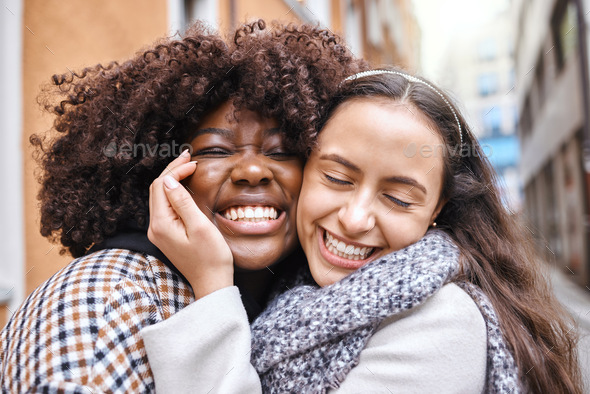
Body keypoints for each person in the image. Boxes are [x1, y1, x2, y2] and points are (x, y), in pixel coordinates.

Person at [142, 68, 582, 393]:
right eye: (337, 178)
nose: (354, 219)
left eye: (397, 198)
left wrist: (213, 289)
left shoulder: (446, 324)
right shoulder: (294, 287)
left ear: (436, 209)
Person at [0, 20, 365, 392]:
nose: (253, 171)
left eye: (284, 151)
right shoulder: (101, 304)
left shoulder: (316, 303)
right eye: (215, 151)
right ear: (156, 172)